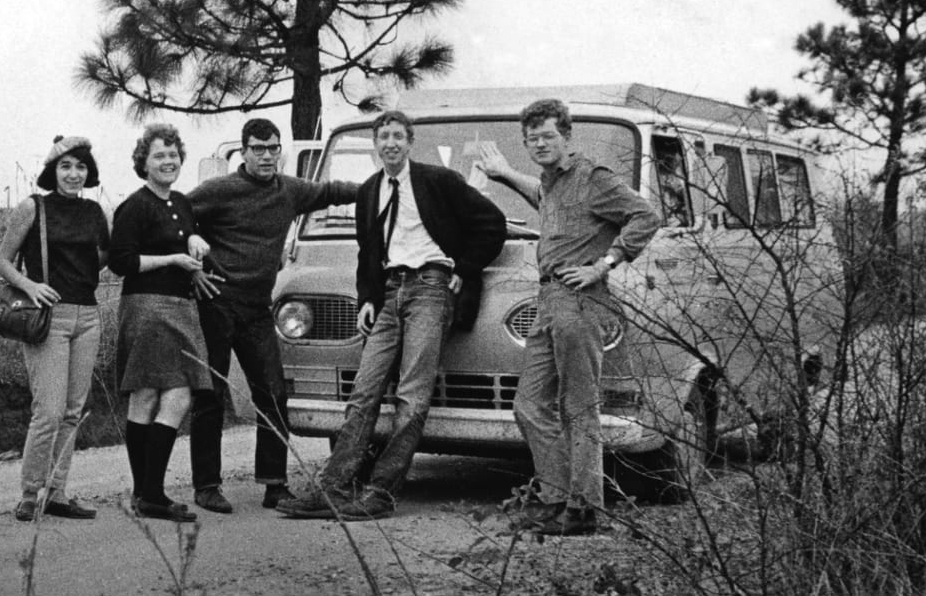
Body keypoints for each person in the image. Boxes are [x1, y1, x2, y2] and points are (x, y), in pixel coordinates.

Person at [278, 110, 507, 520]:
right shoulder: (369, 191)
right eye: (383, 136)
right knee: (363, 393)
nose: (391, 144)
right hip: (388, 293)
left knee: (412, 395)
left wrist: (465, 268)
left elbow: (492, 224)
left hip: (431, 289)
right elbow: (369, 253)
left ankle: (381, 491)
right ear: (375, 144)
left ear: (409, 141)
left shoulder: (438, 181)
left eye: (398, 136)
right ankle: (334, 488)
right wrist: (368, 297)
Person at [477, 98, 660, 536]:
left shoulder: (593, 178)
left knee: (578, 409)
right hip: (548, 303)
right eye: (532, 138)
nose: (539, 144)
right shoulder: (553, 184)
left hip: (580, 303)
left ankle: (582, 509)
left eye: (548, 136)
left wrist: (606, 262)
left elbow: (645, 216)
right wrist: (503, 173)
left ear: (567, 136)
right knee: (529, 405)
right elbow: (542, 196)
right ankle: (555, 498)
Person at [187, 118, 359, 514]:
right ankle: (207, 486)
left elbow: (332, 191)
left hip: (257, 307)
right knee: (210, 394)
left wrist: (380, 186)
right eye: (258, 148)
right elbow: (174, 216)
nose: (266, 156)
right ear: (243, 151)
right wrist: (192, 267)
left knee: (274, 393)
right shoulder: (220, 190)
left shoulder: (289, 190)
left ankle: (274, 484)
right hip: (216, 302)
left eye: (272, 148)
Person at [0, 136, 109, 522]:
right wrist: (30, 285)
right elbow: (2, 262)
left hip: (88, 317)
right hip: (50, 317)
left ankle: (57, 492)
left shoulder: (95, 212)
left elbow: (103, 257)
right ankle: (30, 492)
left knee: (74, 411)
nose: (74, 174)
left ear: (88, 172)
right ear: (52, 170)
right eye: (66, 166)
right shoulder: (34, 207)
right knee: (49, 411)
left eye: (80, 167)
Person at [109, 124, 211, 522]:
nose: (168, 162)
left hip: (179, 306)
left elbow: (182, 239)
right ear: (144, 163)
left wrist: (195, 243)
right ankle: (149, 493)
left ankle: (148, 492)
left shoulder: (182, 203)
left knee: (174, 393)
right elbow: (121, 262)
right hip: (147, 307)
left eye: (173, 155)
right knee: (150, 394)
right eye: (159, 156)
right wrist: (172, 260)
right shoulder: (135, 205)